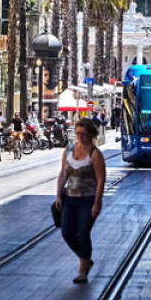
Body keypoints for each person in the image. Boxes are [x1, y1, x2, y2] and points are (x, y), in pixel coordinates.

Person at [55, 118, 106, 284]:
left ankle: (83, 270)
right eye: (78, 133)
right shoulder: (69, 149)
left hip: (88, 199)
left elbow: (100, 180)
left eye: (84, 134)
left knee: (82, 233)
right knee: (67, 233)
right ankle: (86, 259)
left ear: (91, 134)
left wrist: (97, 202)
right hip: (69, 198)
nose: (80, 137)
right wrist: (58, 195)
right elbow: (63, 173)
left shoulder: (95, 153)